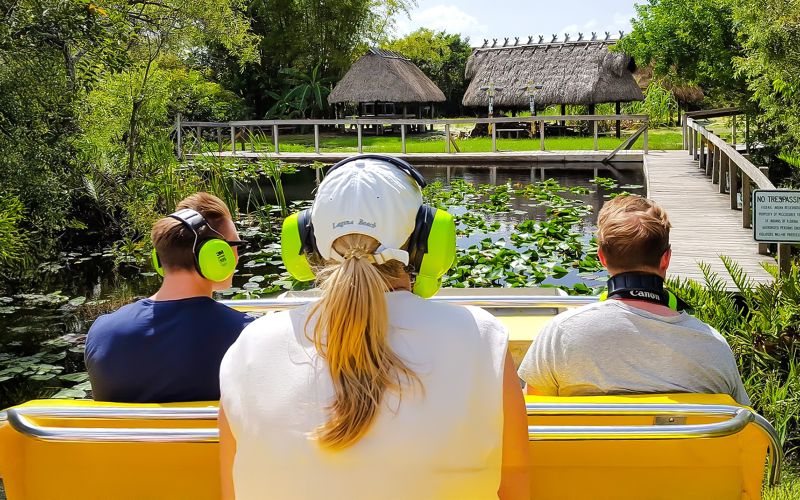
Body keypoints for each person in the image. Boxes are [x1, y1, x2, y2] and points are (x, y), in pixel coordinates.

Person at [219, 155, 529, 500]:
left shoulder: (251, 348)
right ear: (428, 239)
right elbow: (514, 486)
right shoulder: (481, 339)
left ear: (305, 243)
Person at [518, 194, 750, 405]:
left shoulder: (562, 333)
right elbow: (742, 427)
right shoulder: (713, 346)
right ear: (666, 258)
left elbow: (533, 414)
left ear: (601, 257)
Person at [85, 192, 253, 403]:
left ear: (160, 257)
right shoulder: (247, 336)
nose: (238, 256)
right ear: (214, 253)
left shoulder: (102, 333)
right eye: (235, 246)